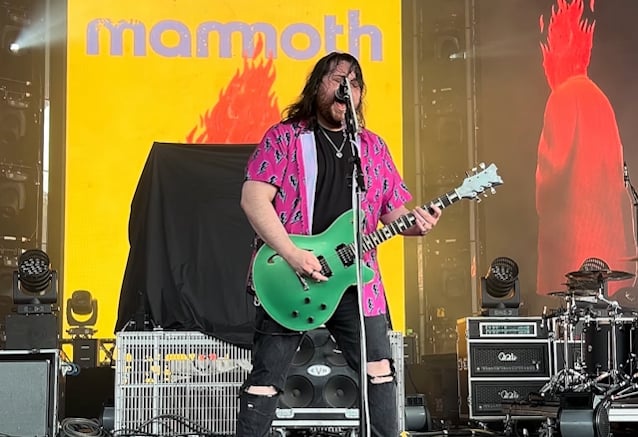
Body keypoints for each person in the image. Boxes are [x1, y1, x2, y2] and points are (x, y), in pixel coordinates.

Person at [236, 51, 442, 437]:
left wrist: (420, 223)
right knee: (267, 379)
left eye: (354, 83)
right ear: (318, 86)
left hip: (355, 281)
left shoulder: (372, 147)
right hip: (292, 274)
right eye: (336, 79)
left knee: (379, 371)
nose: (346, 88)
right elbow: (253, 199)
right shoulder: (285, 137)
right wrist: (292, 254)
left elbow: (394, 216)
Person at [536, 0, 637, 299]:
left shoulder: (562, 97)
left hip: (574, 248)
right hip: (609, 249)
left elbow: (551, 177)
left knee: (571, 320)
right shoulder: (599, 98)